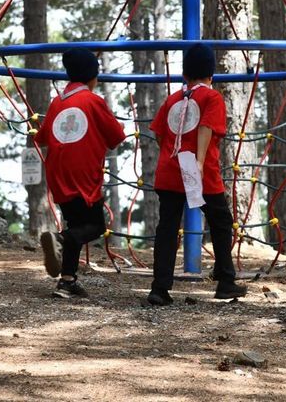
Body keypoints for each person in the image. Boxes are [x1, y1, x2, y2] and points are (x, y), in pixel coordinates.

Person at [146, 43, 247, 305]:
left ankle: (160, 288)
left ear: (184, 74)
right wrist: (199, 161)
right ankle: (225, 280)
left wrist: (172, 154)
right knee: (221, 222)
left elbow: (158, 132)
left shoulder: (173, 99)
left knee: (167, 227)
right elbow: (206, 127)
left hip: (170, 168)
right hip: (200, 171)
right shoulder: (211, 97)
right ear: (211, 74)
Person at [36, 49, 126, 298]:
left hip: (57, 172)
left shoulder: (57, 102)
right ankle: (60, 239)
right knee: (95, 226)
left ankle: (67, 281)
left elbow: (42, 138)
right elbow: (116, 137)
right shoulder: (93, 101)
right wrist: (120, 126)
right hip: (82, 173)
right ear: (93, 77)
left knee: (76, 224)